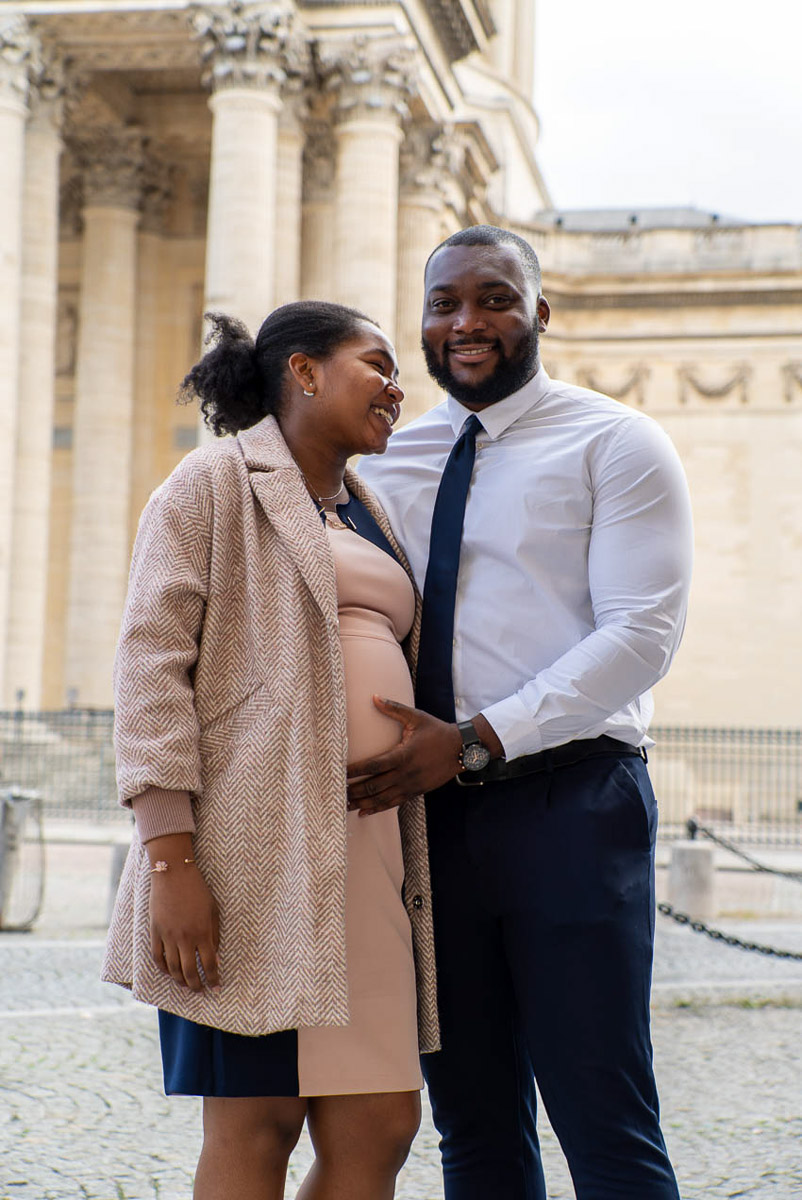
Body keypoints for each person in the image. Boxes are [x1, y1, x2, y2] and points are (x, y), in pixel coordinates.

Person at [355, 225, 694, 1199]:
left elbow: (640, 636)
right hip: (426, 824)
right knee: (473, 1127)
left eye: (495, 299)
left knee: (605, 1121)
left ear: (538, 311)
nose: (467, 323)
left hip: (571, 806)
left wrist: (472, 741)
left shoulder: (615, 442)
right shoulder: (387, 461)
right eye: (445, 302)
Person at [102, 300, 439, 1200]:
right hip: (249, 858)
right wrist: (170, 860)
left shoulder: (369, 511)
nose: (398, 387)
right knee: (259, 1122)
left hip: (367, 862)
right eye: (377, 364)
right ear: (304, 372)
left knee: (382, 1123)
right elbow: (149, 666)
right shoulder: (210, 484)